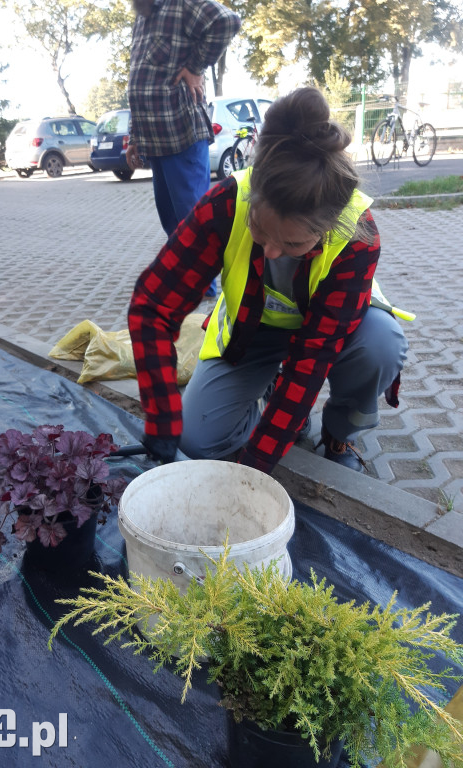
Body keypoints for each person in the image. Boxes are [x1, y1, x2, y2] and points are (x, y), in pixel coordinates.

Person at [128, 87, 410, 475]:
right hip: (252, 330)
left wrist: (255, 468)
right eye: (259, 230)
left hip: (337, 334)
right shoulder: (225, 203)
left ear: (326, 227)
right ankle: (267, 392)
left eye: (293, 242)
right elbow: (152, 306)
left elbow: (312, 360)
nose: (272, 252)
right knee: (194, 442)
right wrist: (161, 420)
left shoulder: (356, 234)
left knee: (382, 345)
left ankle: (338, 432)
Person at [126, 0, 241, 296]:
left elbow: (226, 21)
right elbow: (140, 79)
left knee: (194, 217)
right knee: (172, 219)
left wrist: (194, 67)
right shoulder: (144, 16)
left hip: (182, 133)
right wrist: (134, 136)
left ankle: (206, 289)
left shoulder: (182, 4)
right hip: (155, 138)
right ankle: (188, 280)